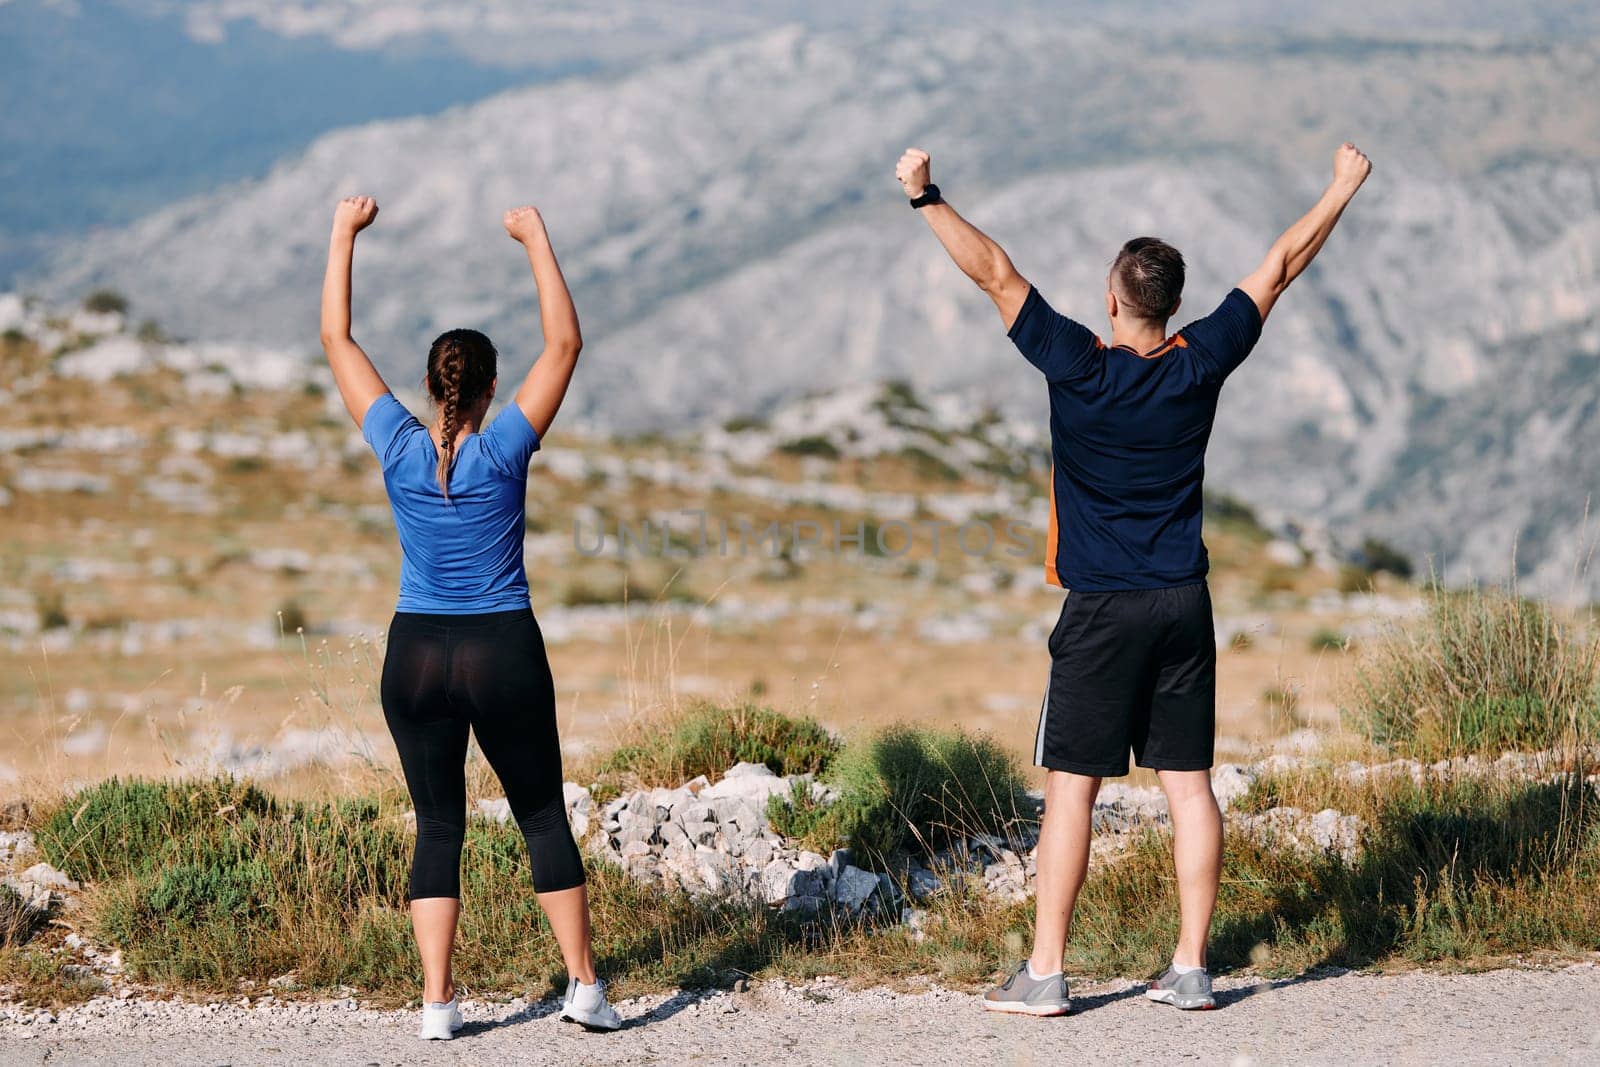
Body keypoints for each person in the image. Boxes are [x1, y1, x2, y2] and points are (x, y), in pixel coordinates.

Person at [896, 143, 1372, 1015]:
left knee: (1072, 786)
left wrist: (926, 198)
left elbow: (994, 273)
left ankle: (1045, 971)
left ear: (1112, 301)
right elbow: (1279, 266)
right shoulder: (1199, 363)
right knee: (1188, 785)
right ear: (1177, 308)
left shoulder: (1078, 364)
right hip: (1184, 601)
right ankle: (1191, 966)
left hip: (1102, 608)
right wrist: (1340, 187)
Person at [319, 194, 621, 1037]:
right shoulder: (505, 448)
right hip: (501, 648)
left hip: (414, 652)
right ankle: (585, 988)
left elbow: (337, 341)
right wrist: (535, 236)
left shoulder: (399, 444)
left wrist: (345, 232)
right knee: (540, 817)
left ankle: (438, 1005)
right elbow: (564, 343)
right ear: (493, 389)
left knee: (437, 823)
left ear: (426, 386)